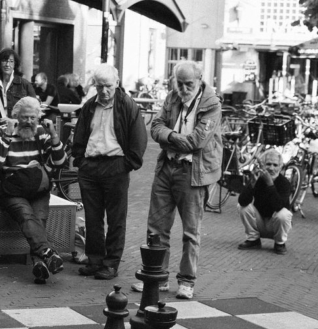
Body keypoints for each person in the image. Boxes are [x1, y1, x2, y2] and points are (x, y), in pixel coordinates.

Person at [132, 60, 222, 299]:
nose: (183, 88)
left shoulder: (212, 104)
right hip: (167, 166)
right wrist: (175, 137)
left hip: (193, 172)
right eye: (179, 83)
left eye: (188, 84)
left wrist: (169, 139)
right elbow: (155, 127)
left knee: (191, 231)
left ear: (200, 79)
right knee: (157, 226)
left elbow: (198, 142)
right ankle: (158, 276)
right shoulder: (172, 97)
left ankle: (187, 281)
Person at [72, 64, 148, 280]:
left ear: (116, 83)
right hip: (90, 166)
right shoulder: (89, 107)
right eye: (99, 87)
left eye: (107, 86)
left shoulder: (127, 106)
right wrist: (80, 161)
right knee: (92, 217)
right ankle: (95, 260)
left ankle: (111, 263)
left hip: (116, 165)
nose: (104, 91)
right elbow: (80, 135)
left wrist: (128, 164)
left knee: (116, 218)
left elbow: (138, 138)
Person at [0, 96, 66, 284]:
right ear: (16, 116)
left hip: (37, 188)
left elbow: (60, 162)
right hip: (12, 190)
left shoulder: (40, 132)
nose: (29, 121)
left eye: (33, 117)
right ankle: (47, 253)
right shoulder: (0, 131)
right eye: (24, 117)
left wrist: (54, 135)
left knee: (38, 219)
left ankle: (40, 263)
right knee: (26, 215)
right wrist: (7, 135)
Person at [238, 149, 292, 255]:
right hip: (261, 222)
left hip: (276, 224)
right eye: (268, 164)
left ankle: (280, 243)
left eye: (275, 165)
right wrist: (252, 184)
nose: (271, 168)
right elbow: (242, 201)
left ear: (280, 167)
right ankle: (253, 239)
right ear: (263, 165)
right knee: (242, 207)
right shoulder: (259, 179)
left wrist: (270, 184)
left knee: (284, 214)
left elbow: (279, 206)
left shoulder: (284, 183)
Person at [0, 48, 36, 138]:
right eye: (4, 61)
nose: (7, 64)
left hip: (19, 133)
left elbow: (34, 112)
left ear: (15, 64)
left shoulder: (25, 84)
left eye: (11, 61)